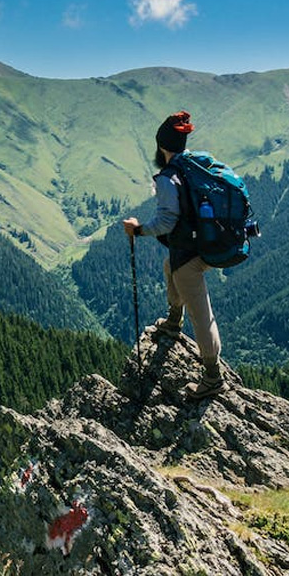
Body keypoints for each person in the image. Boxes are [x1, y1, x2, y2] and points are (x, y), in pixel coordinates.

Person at [122, 111, 226, 399]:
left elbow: (167, 221)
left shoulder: (170, 177)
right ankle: (173, 320)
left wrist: (138, 229)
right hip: (205, 243)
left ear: (161, 146)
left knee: (201, 314)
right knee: (170, 267)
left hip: (190, 254)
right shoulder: (195, 164)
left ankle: (213, 377)